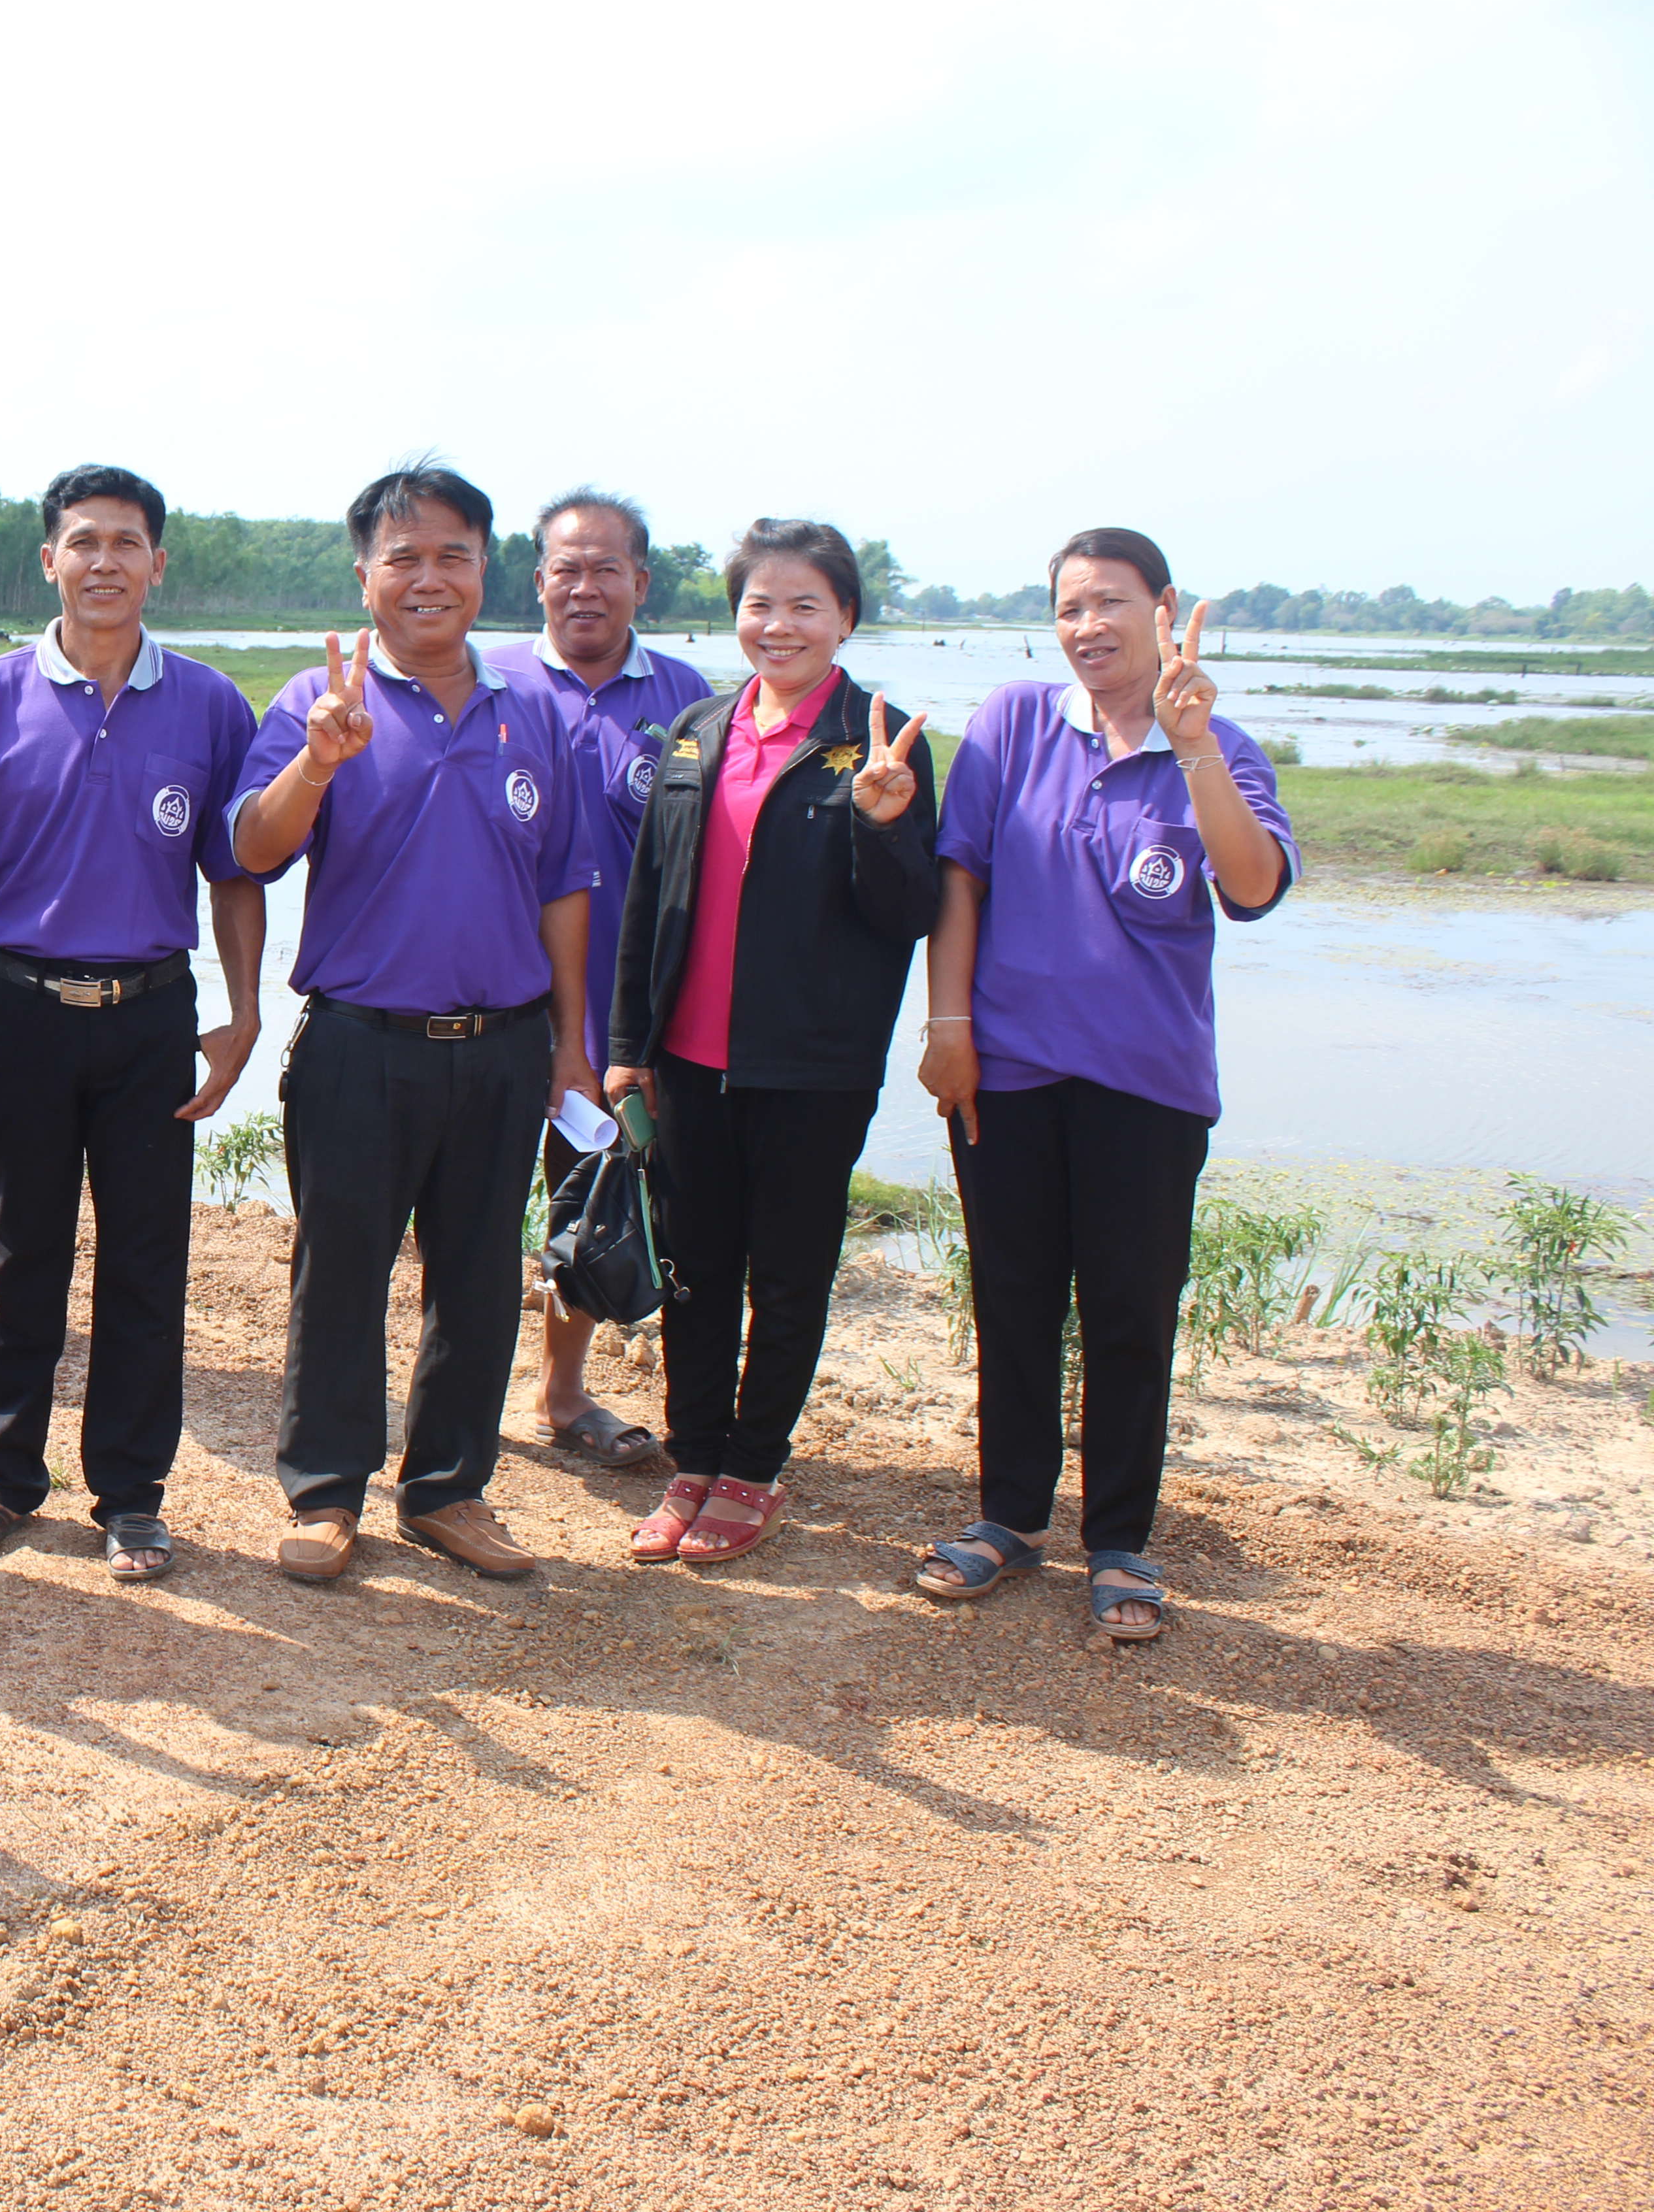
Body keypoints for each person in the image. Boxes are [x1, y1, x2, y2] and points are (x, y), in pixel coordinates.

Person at [912, 531, 1295, 1642]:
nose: (1086, 627)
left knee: (1127, 1315)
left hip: (1146, 1085)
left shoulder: (1215, 745)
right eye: (1068, 607)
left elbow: (1252, 884)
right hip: (1007, 1073)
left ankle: (1119, 1541)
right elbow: (958, 878)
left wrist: (1191, 752)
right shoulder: (1013, 723)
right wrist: (946, 1027)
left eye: (1109, 603)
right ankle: (1006, 1518)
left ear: (1161, 609)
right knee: (1014, 1298)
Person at [0, 463, 265, 1583]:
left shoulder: (206, 703)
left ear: (156, 563)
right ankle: (4, 1478)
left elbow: (235, 872)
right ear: (47, 560)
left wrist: (245, 1014)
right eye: (82, 542)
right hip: (17, 1011)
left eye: (126, 543)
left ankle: (131, 1496)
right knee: (21, 1254)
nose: (103, 561)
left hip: (151, 1015)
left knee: (149, 1265)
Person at [232, 465, 595, 1582]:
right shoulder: (315, 697)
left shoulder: (532, 709)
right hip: (357, 1043)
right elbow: (249, 848)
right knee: (337, 1270)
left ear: (485, 571)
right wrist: (317, 760)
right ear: (363, 574)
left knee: (480, 1277)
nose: (426, 577)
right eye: (403, 556)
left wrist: (570, 1045)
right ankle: (324, 1493)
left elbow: (563, 889)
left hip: (500, 1046)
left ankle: (446, 1489)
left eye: (451, 554)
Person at [603, 519, 938, 1567]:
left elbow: (908, 915)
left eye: (805, 605)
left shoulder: (879, 740)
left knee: (788, 1273)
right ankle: (694, 1458)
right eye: (760, 603)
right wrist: (628, 1041)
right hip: (689, 1060)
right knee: (698, 1269)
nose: (779, 624)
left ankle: (754, 1470)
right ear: (734, 612)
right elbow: (649, 895)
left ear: (846, 617)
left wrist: (884, 824)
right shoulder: (699, 730)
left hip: (811, 1065)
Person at [487, 490, 711, 1468]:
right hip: (490, 996)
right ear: (536, 580)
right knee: (467, 1205)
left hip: (629, 1017)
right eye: (565, 569)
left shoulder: (690, 700)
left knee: (593, 1192)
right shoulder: (486, 680)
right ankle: (443, 1397)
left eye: (606, 568)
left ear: (641, 584)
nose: (585, 588)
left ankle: (563, 1393)